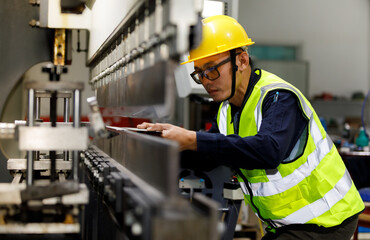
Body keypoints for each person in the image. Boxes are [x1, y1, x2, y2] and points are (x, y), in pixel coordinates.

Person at [137, 15, 364, 239]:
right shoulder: (227, 110)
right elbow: (210, 154)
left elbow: (268, 150)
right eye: (199, 73)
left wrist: (193, 139)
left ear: (242, 61)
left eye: (212, 69)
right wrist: (159, 148)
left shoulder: (278, 98)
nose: (206, 80)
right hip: (288, 224)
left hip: (327, 219)